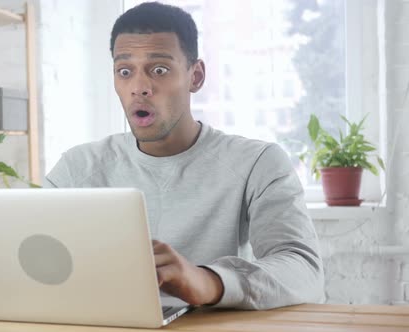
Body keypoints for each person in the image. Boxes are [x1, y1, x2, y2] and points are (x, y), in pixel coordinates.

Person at [45, 2, 324, 310]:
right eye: (124, 71)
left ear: (196, 76)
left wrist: (207, 281)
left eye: (159, 70)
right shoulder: (76, 168)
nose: (139, 87)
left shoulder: (257, 162)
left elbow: (304, 271)